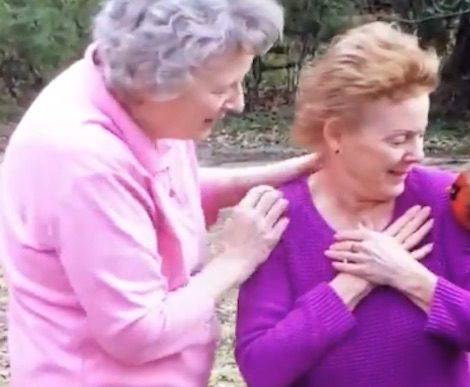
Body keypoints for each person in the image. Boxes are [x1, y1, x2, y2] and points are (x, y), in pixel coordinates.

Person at [0, 0, 319, 385]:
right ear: (158, 82)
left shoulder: (132, 100)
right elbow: (136, 333)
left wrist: (276, 175)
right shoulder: (81, 159)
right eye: (222, 87)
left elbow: (149, 195)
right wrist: (235, 259)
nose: (238, 102)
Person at [234, 21, 470, 387]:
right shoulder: (279, 219)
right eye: (399, 139)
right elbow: (261, 369)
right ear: (336, 134)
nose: (418, 154)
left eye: (421, 135)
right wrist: (350, 285)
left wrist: (408, 277)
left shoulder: (444, 200)